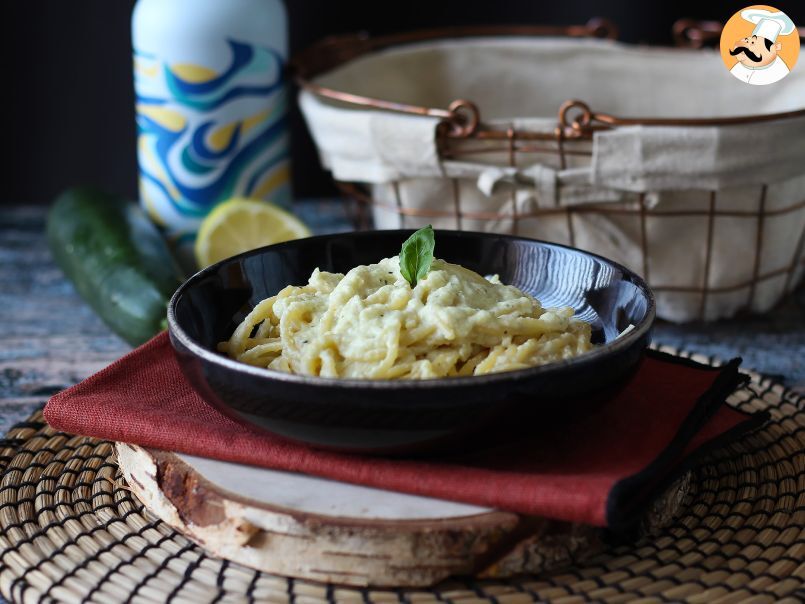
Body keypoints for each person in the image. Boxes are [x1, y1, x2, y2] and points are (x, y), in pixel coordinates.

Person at [729, 9, 796, 85]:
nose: (747, 40)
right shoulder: (737, 67)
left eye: (753, 42)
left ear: (776, 47)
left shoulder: (780, 71)